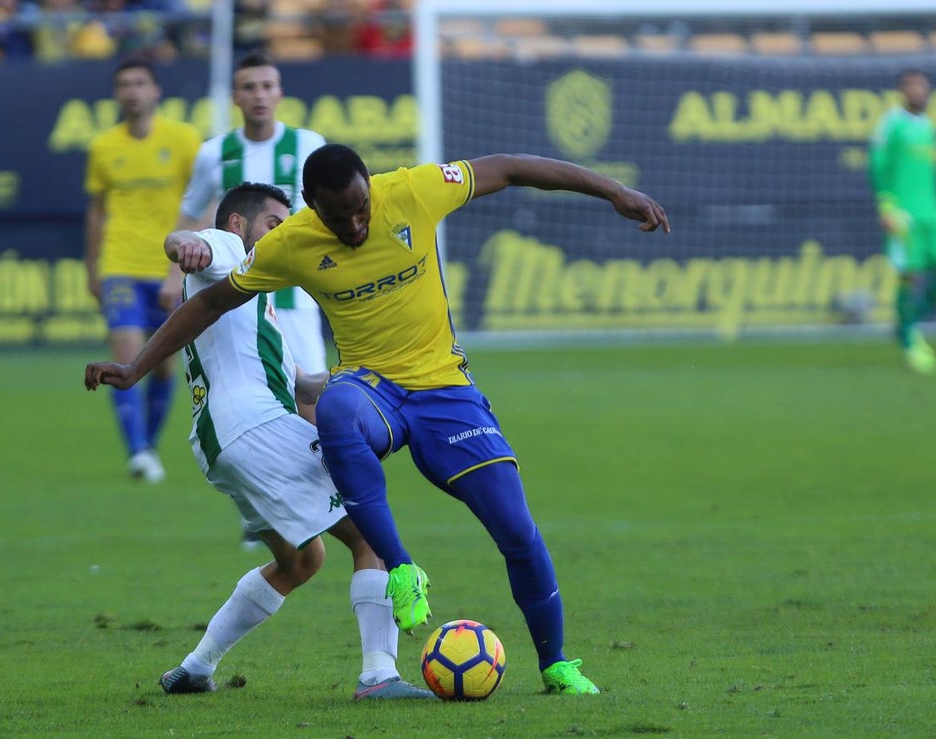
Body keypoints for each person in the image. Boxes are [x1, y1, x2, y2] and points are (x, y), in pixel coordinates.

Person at [85, 144, 670, 696]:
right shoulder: (286, 241)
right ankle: (398, 585)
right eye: (341, 217)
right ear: (315, 208)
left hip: (443, 389)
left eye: (362, 209)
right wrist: (140, 357)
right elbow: (208, 287)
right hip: (371, 392)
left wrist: (613, 191)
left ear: (371, 189)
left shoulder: (415, 190)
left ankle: (557, 663)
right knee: (338, 406)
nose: (357, 225)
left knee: (511, 529)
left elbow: (512, 167)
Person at [149, 182, 432, 700]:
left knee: (301, 562)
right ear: (239, 224)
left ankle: (195, 666)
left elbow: (304, 386)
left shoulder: (258, 312)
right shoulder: (230, 250)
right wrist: (186, 246)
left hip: (222, 442)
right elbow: (188, 241)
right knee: (369, 532)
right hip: (255, 429)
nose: (284, 235)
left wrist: (384, 375)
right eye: (275, 225)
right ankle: (379, 676)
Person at [178, 50, 330, 399]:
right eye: (249, 87)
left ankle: (323, 454)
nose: (258, 95)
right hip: (237, 297)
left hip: (296, 295)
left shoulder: (308, 145)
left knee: (313, 398)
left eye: (267, 86)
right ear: (235, 97)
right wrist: (174, 279)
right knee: (248, 395)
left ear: (280, 93)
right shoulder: (214, 153)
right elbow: (190, 214)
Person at [84, 57, 202, 482]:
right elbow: (96, 212)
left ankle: (148, 445)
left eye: (139, 82)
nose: (132, 90)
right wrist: (92, 267)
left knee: (163, 366)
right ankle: (137, 451)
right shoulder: (103, 147)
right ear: (116, 94)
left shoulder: (185, 139)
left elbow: (204, 201)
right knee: (127, 356)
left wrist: (182, 268)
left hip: (168, 268)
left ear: (156, 91)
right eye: (124, 84)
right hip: (120, 265)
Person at [869, 69, 936, 375]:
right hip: (903, 215)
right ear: (902, 91)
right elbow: (878, 165)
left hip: (932, 212)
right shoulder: (891, 123)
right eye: (912, 87)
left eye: (922, 86)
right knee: (908, 276)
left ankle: (906, 324)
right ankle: (911, 342)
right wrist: (886, 206)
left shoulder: (928, 126)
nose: (918, 91)